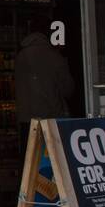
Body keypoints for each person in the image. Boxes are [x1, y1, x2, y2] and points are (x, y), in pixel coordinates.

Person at [14, 21, 75, 156]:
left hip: (26, 117)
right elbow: (68, 88)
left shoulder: (21, 55)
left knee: (29, 158)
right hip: (50, 115)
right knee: (52, 158)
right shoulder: (54, 56)